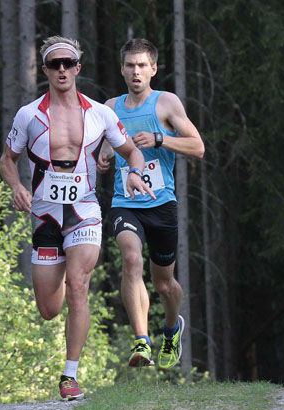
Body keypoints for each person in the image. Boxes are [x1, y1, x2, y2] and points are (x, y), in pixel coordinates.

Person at [0, 35, 154, 400]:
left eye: (68, 63)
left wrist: (134, 171)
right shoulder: (29, 115)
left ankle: (70, 375)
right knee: (49, 309)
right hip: (46, 216)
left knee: (80, 283)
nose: (62, 69)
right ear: (46, 71)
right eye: (55, 64)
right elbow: (7, 159)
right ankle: (64, 277)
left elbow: (131, 151)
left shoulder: (100, 113)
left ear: (78, 69)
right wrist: (17, 188)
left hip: (84, 210)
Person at [97, 38, 204, 370]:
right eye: (130, 65)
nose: (136, 71)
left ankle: (172, 328)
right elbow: (102, 146)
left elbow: (198, 146)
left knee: (163, 284)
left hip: (161, 205)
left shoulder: (166, 103)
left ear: (153, 69)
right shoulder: (110, 107)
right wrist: (101, 156)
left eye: (142, 65)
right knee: (131, 258)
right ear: (122, 69)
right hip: (125, 202)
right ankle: (141, 340)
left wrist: (159, 138)